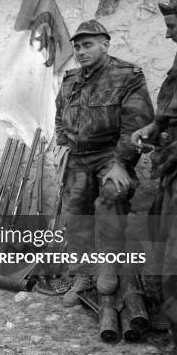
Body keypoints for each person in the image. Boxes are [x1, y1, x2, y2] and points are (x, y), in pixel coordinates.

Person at [54, 19, 155, 307]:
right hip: (77, 157)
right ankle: (83, 275)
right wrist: (62, 147)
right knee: (75, 215)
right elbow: (60, 118)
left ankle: (109, 264)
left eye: (88, 45)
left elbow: (137, 124)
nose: (81, 52)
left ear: (105, 44)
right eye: (77, 47)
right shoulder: (70, 80)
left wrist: (121, 163)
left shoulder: (127, 75)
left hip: (111, 155)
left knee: (112, 196)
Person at [131, 0, 177, 355]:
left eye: (171, 27)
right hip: (175, 174)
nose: (167, 35)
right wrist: (155, 129)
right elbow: (175, 113)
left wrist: (176, 147)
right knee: (171, 266)